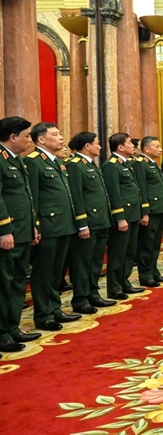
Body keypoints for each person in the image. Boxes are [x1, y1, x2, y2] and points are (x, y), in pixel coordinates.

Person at [25, 122, 81, 331]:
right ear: (41, 139)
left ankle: (55, 309)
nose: (61, 137)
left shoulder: (57, 161)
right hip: (47, 226)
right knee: (43, 272)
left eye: (60, 134)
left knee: (56, 272)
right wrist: (35, 225)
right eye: (55, 134)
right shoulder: (33, 162)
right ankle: (43, 315)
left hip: (64, 224)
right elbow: (32, 198)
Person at [0, 117, 41, 352]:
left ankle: (12, 327)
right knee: (4, 284)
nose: (29, 141)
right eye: (26, 136)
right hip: (8, 234)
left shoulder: (16, 160)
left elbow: (26, 197)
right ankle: (2, 332)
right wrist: (4, 230)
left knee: (17, 282)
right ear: (13, 136)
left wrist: (33, 225)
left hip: (22, 231)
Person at [66, 132, 116, 315]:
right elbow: (77, 196)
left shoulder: (90, 164)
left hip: (101, 221)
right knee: (82, 264)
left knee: (96, 262)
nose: (100, 147)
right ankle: (80, 299)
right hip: (88, 223)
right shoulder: (75, 165)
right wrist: (82, 224)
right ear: (87, 146)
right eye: (97, 143)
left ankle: (93, 294)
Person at [103, 133, 145, 300]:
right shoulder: (111, 165)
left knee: (129, 252)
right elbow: (114, 193)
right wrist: (120, 217)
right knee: (118, 253)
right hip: (123, 216)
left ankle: (124, 281)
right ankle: (114, 287)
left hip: (133, 214)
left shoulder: (125, 163)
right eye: (129, 143)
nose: (133, 145)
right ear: (120, 147)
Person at [134, 136, 163, 287]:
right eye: (156, 146)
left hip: (159, 208)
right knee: (147, 244)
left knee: (155, 243)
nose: (160, 149)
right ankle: (145, 275)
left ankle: (153, 271)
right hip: (150, 210)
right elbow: (141, 189)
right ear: (146, 148)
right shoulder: (140, 164)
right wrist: (144, 212)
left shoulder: (152, 163)